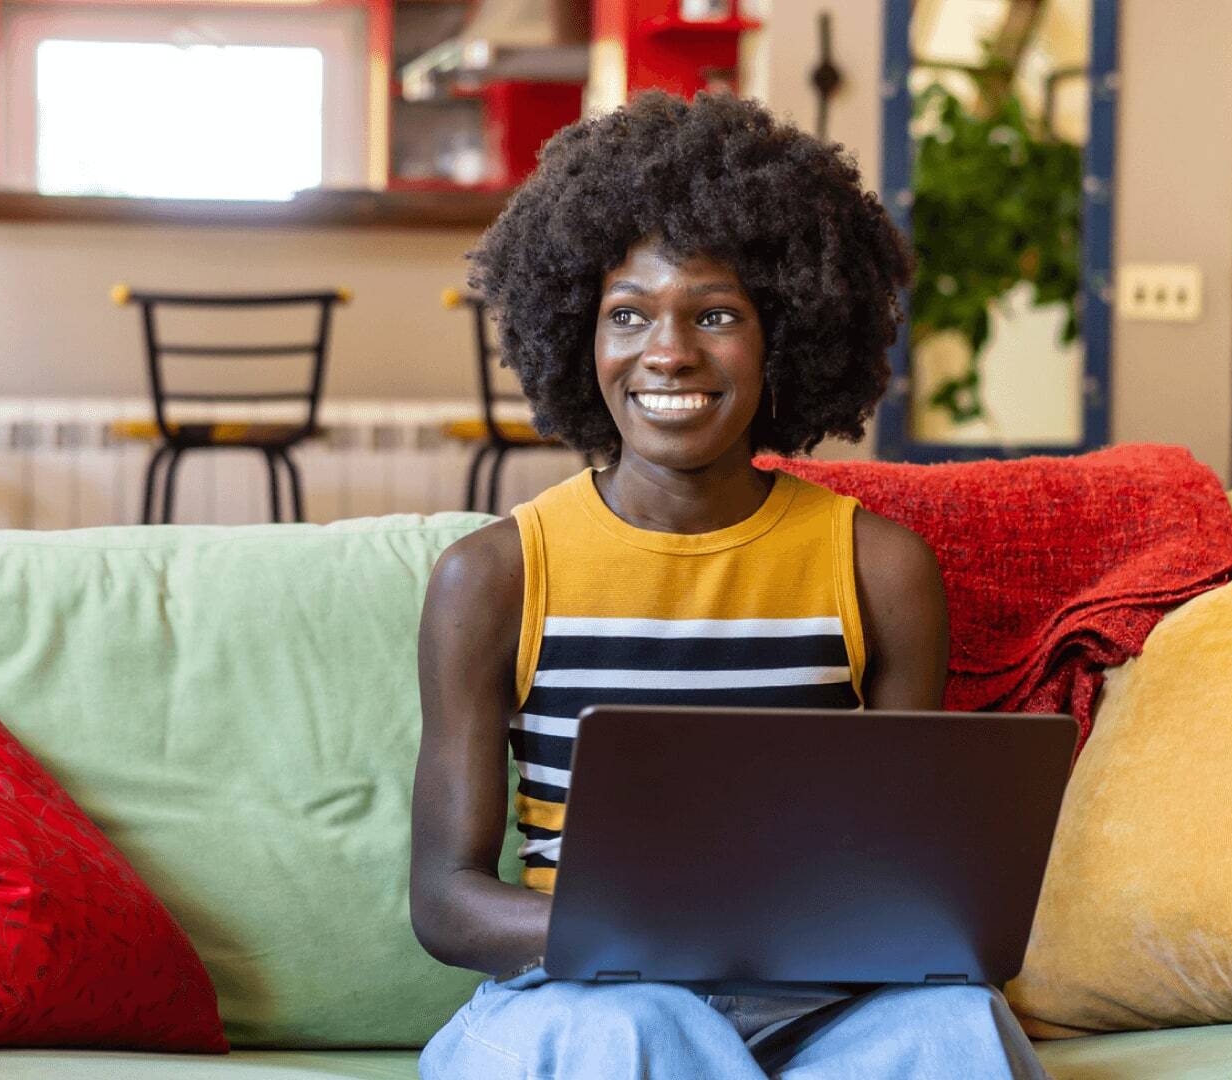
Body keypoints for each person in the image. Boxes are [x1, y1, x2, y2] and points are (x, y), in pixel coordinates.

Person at [410, 91, 1047, 1080]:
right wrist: (637, 949)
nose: (667, 352)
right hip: (584, 1000)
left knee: (954, 1032)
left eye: (715, 315)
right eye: (628, 315)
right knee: (636, 1034)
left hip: (824, 1012)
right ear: (579, 332)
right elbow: (445, 899)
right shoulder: (492, 576)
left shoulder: (879, 567)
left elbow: (905, 878)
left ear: (785, 338)